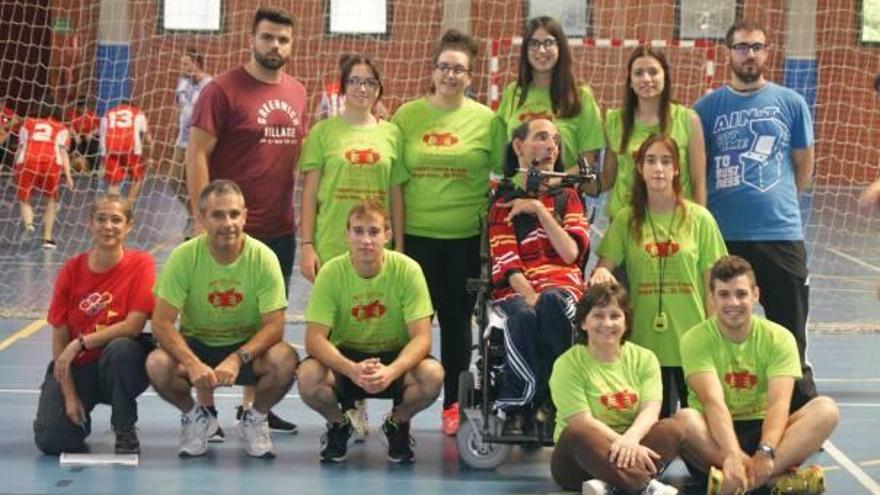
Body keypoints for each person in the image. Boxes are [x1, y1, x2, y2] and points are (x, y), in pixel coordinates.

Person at [186, 6, 306, 433]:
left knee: (265, 323)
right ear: (251, 40)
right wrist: (204, 220)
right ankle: (205, 411)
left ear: (292, 45)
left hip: (278, 226)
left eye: (283, 39)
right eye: (268, 37)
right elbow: (197, 151)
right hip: (227, 229)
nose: (275, 45)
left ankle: (254, 409)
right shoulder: (222, 89)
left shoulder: (298, 91)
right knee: (209, 317)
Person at [694, 19, 818, 409]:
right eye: (742, 47)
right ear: (728, 53)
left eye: (757, 47)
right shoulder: (706, 108)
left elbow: (803, 165)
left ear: (767, 52)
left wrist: (777, 202)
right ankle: (729, 405)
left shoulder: (791, 103)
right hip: (724, 235)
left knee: (789, 332)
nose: (750, 54)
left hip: (780, 234)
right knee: (723, 325)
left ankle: (797, 409)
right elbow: (699, 169)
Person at [391, 29, 502, 435]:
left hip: (464, 241)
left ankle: (454, 405)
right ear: (433, 70)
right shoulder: (406, 116)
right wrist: (398, 244)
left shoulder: (487, 121)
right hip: (417, 238)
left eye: (459, 69)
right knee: (409, 325)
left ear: (471, 76)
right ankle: (399, 410)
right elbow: (396, 185)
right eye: (444, 67)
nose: (450, 74)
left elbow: (504, 177)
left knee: (457, 323)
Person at [145, 180, 299, 458]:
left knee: (285, 359)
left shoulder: (263, 257)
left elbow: (275, 326)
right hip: (198, 346)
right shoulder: (183, 257)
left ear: (245, 216)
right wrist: (191, 362)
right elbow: (161, 323)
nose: (227, 223)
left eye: (234, 214)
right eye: (217, 215)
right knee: (157, 363)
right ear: (201, 218)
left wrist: (237, 358)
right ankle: (196, 417)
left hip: (246, 349)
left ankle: (255, 418)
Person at [299, 53, 403, 440]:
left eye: (370, 82)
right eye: (355, 81)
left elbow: (396, 193)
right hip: (332, 244)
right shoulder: (323, 133)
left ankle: (392, 415)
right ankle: (347, 407)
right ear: (343, 88)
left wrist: (401, 248)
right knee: (340, 326)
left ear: (379, 89)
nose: (363, 88)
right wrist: (307, 243)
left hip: (376, 247)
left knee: (373, 321)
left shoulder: (391, 134)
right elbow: (309, 193)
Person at [676, 255, 839, 495]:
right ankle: (774, 480)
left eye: (741, 294)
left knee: (826, 409)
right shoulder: (695, 339)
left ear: (756, 295)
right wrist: (731, 454)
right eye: (724, 295)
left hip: (765, 431)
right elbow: (714, 403)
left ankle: (739, 482)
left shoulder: (780, 338)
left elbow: (778, 405)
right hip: (715, 437)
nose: (733, 302)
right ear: (711, 298)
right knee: (685, 419)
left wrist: (766, 450)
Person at [591, 133, 727, 418]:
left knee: (701, 435)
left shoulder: (700, 219)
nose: (659, 169)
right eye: (651, 161)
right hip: (645, 347)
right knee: (655, 442)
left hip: (692, 345)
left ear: (677, 169)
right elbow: (604, 266)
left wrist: (715, 337)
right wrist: (602, 270)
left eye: (666, 161)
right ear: (640, 168)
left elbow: (713, 284)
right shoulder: (628, 219)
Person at [297, 200, 443, 464]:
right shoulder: (331, 272)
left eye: (374, 232)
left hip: (394, 358)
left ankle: (397, 424)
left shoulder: (408, 270)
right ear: (347, 235)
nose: (366, 240)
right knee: (308, 377)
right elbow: (314, 340)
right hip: (347, 360)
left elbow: (422, 338)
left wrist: (392, 371)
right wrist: (351, 369)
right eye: (358, 231)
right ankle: (340, 424)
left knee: (432, 376)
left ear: (387, 235)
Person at [488, 118, 590, 434]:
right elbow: (507, 262)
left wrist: (539, 210)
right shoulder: (501, 201)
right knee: (521, 315)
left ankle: (547, 399)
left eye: (556, 140)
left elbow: (571, 254)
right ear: (519, 146)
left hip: (562, 290)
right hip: (517, 292)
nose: (551, 146)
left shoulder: (568, 198)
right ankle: (523, 402)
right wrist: (529, 296)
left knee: (553, 302)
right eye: (541, 137)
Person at [33, 194, 155, 455]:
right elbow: (59, 336)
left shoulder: (141, 264)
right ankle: (77, 420)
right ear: (90, 223)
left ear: (129, 226)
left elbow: (133, 326)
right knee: (51, 441)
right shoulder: (71, 270)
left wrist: (80, 343)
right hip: (80, 369)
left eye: (116, 220)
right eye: (101, 219)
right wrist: (68, 395)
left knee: (122, 347)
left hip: (121, 366)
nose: (108, 226)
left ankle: (124, 427)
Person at [550, 283, 682, 495]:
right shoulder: (567, 364)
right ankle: (645, 486)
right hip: (578, 462)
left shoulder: (645, 358)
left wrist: (630, 439)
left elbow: (650, 410)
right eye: (598, 316)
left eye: (615, 316)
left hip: (631, 444)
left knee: (674, 428)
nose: (607, 323)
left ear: (626, 321)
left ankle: (610, 484)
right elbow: (582, 421)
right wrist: (625, 443)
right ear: (583, 322)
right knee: (578, 431)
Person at [601, 46, 706, 222]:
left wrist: (701, 225)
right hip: (624, 223)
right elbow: (607, 179)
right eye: (639, 73)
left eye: (653, 72)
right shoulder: (614, 121)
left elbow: (699, 182)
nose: (646, 79)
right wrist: (571, 178)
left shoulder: (688, 120)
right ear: (630, 81)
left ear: (665, 76)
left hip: (675, 223)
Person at [496, 16, 604, 173]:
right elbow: (500, 149)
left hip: (561, 193)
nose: (541, 50)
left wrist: (556, 181)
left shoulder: (580, 96)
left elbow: (589, 160)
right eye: (534, 43)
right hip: (517, 193)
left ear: (560, 47)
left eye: (548, 43)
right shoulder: (513, 92)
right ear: (525, 49)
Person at [14, 98, 73, 249]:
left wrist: (16, 167)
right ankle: (47, 239)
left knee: (24, 197)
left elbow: (20, 147)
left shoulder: (27, 124)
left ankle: (29, 224)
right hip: (51, 161)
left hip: (27, 160)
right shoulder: (62, 128)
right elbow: (63, 153)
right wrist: (68, 175)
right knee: (51, 200)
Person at [172, 49, 212, 219]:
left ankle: (205, 215)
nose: (183, 67)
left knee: (199, 182)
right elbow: (178, 107)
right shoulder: (182, 83)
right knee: (174, 180)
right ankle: (194, 213)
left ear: (197, 63)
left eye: (186, 63)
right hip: (182, 140)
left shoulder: (210, 84)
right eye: (182, 64)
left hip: (201, 141)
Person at [100, 99, 152, 204]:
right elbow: (148, 139)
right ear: (132, 106)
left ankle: (112, 206)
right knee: (137, 179)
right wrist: (149, 157)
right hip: (131, 147)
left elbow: (102, 137)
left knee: (114, 182)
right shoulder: (138, 112)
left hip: (111, 147)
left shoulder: (108, 113)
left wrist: (103, 159)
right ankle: (128, 206)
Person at [67, 98, 100, 172]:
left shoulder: (91, 114)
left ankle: (94, 169)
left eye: (85, 107)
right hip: (77, 137)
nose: (84, 110)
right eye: (82, 108)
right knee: (71, 142)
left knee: (94, 142)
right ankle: (72, 167)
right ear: (77, 108)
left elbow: (98, 128)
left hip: (88, 136)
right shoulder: (71, 114)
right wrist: (75, 135)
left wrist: (91, 134)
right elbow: (69, 126)